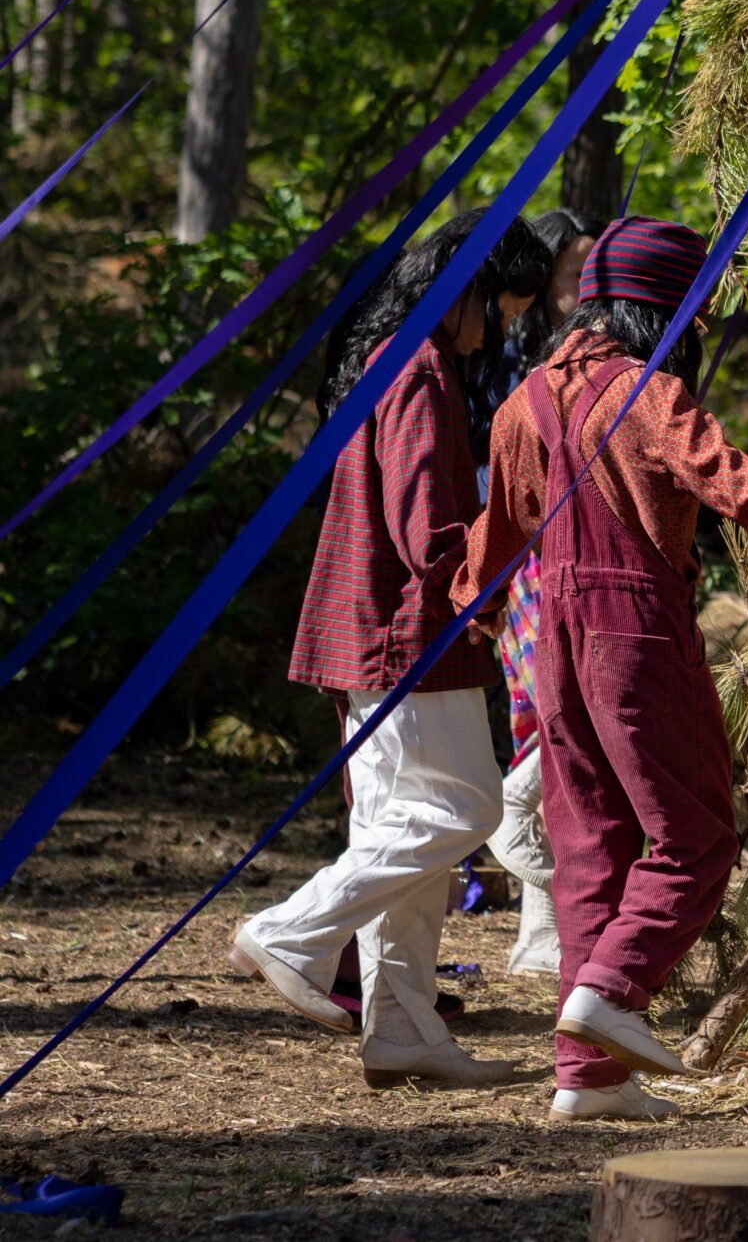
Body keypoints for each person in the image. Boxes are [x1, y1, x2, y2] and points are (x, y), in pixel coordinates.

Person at [458, 215, 748, 1121]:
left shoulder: (523, 403)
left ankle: (587, 1079)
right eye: (693, 317)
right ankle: (612, 991)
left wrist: (471, 606)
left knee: (592, 849)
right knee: (697, 838)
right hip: (634, 632)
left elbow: (494, 544)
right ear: (663, 312)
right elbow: (747, 489)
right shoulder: (647, 396)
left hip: (553, 638)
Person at [229, 211, 550, 1089]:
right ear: (466, 290)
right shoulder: (421, 372)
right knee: (465, 809)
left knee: (397, 832)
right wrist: (486, 584)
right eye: (500, 311)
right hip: (408, 637)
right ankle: (291, 931)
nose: (497, 333)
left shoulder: (395, 362)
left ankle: (403, 1027)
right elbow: (427, 529)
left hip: (382, 632)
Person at [481, 209, 601, 979]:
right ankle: (540, 906)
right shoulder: (512, 365)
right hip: (528, 562)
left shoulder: (598, 356)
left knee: (562, 731)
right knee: (548, 723)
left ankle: (542, 935)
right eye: (573, 273)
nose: (585, 287)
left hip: (571, 557)